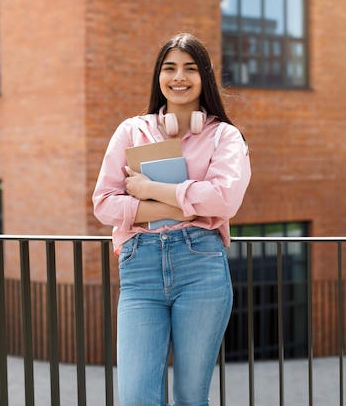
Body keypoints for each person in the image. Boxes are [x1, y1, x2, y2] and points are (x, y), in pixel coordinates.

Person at [92, 33, 251, 406]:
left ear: (205, 78)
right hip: (140, 269)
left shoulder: (224, 136)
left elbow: (225, 199)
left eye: (190, 69)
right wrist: (184, 206)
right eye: (170, 68)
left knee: (189, 398)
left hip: (200, 268)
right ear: (158, 76)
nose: (179, 77)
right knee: (136, 398)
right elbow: (103, 204)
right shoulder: (131, 130)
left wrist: (148, 188)